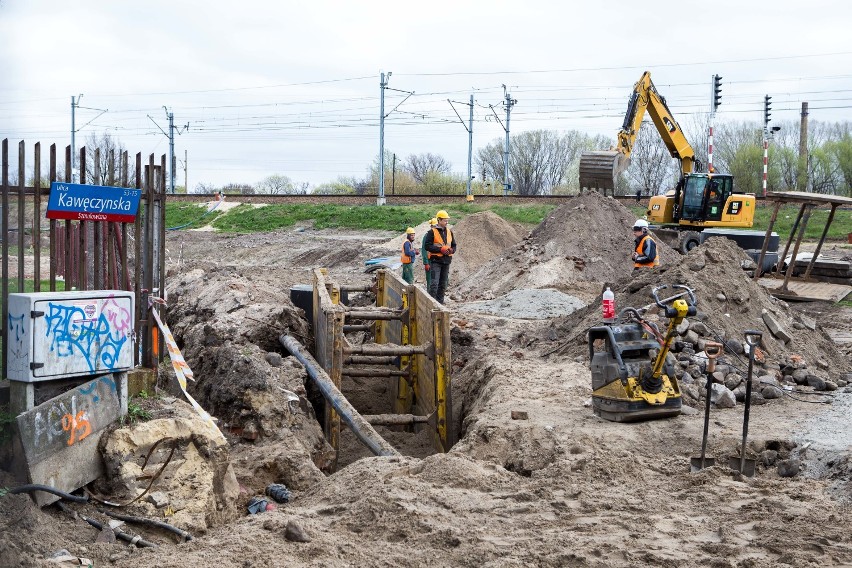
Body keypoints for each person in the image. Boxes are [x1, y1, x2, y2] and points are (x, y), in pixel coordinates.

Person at [425, 210, 457, 303]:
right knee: (434, 284)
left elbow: (454, 245)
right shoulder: (432, 232)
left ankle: (440, 303)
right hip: (436, 261)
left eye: (447, 220)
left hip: (446, 261)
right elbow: (427, 246)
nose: (447, 222)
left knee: (443, 284)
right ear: (439, 220)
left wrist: (452, 250)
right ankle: (431, 304)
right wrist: (440, 250)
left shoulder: (449, 232)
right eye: (445, 220)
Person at [421, 217, 437, 289]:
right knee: (430, 279)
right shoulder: (427, 236)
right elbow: (424, 250)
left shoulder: (438, 236)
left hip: (436, 261)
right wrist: (426, 263)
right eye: (434, 226)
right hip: (430, 261)